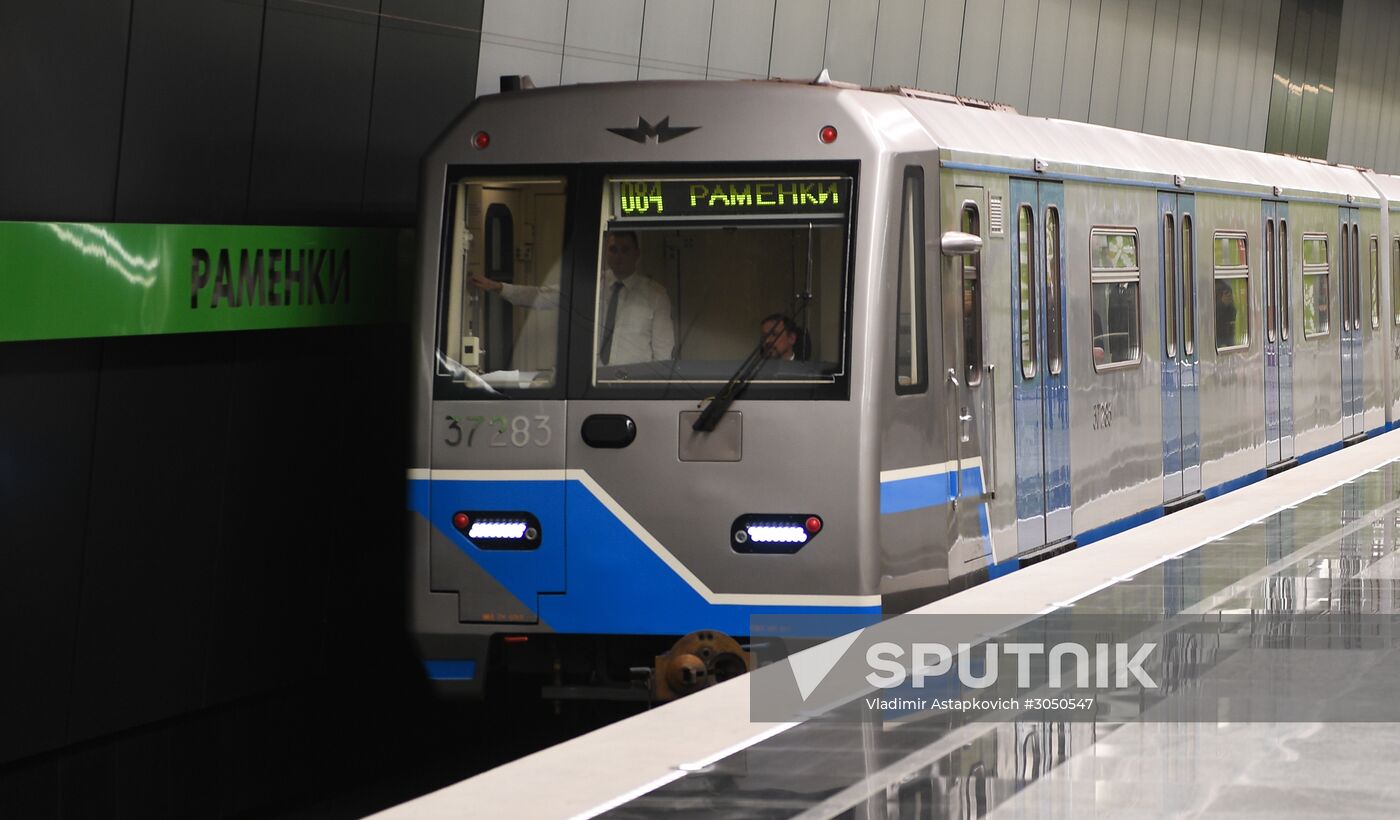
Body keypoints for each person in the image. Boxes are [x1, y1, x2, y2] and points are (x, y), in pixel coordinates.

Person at [470, 230, 674, 365]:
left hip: (635, 383)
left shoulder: (655, 295)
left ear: (636, 253)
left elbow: (663, 351)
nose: (618, 256)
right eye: (613, 249)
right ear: (607, 252)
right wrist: (498, 287)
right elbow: (543, 297)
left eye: (625, 250)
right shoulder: (591, 285)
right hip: (593, 380)